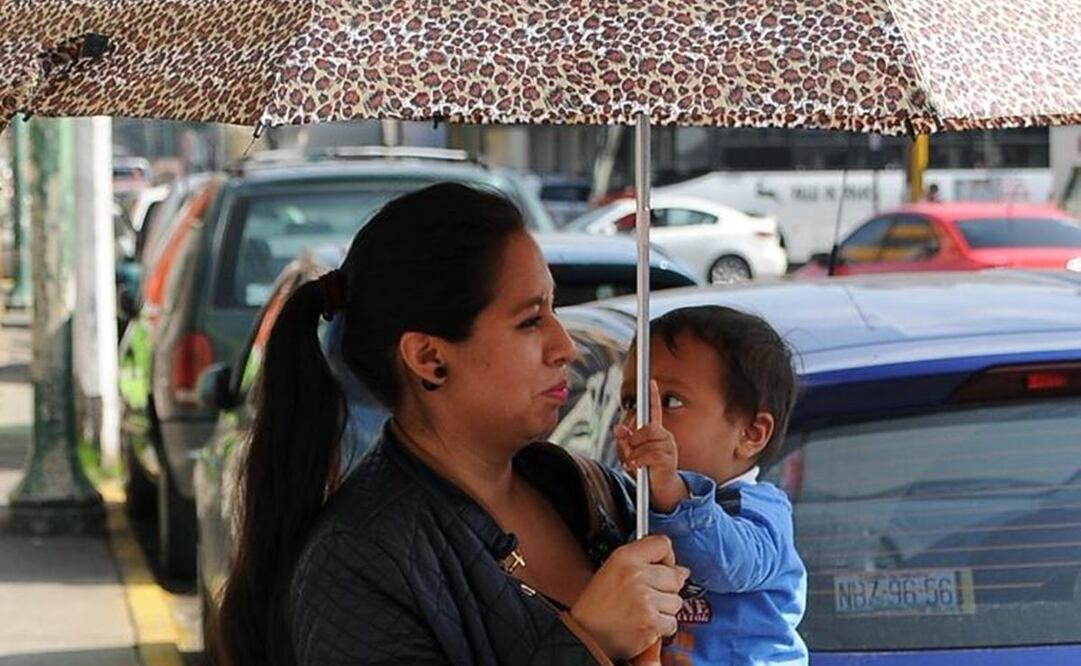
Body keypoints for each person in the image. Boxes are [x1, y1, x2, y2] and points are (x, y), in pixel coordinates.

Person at [211, 183, 689, 666]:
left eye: (553, 309)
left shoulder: (575, 487)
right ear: (429, 357)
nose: (564, 345)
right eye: (530, 320)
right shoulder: (358, 561)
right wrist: (591, 639)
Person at [615, 306, 808, 665]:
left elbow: (730, 565)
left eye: (669, 402)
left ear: (751, 434)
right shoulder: (633, 507)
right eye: (630, 402)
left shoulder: (760, 511)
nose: (641, 420)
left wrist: (674, 494)